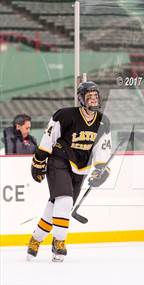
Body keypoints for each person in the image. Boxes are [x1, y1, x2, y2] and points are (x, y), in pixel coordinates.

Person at [27, 81, 112, 262]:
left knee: (56, 205)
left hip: (80, 168)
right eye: (89, 96)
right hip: (59, 160)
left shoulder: (104, 121)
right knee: (64, 201)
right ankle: (59, 241)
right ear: (81, 99)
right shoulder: (65, 115)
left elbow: (102, 148)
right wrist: (39, 160)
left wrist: (101, 169)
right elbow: (49, 137)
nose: (93, 99)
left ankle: (36, 238)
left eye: (95, 96)